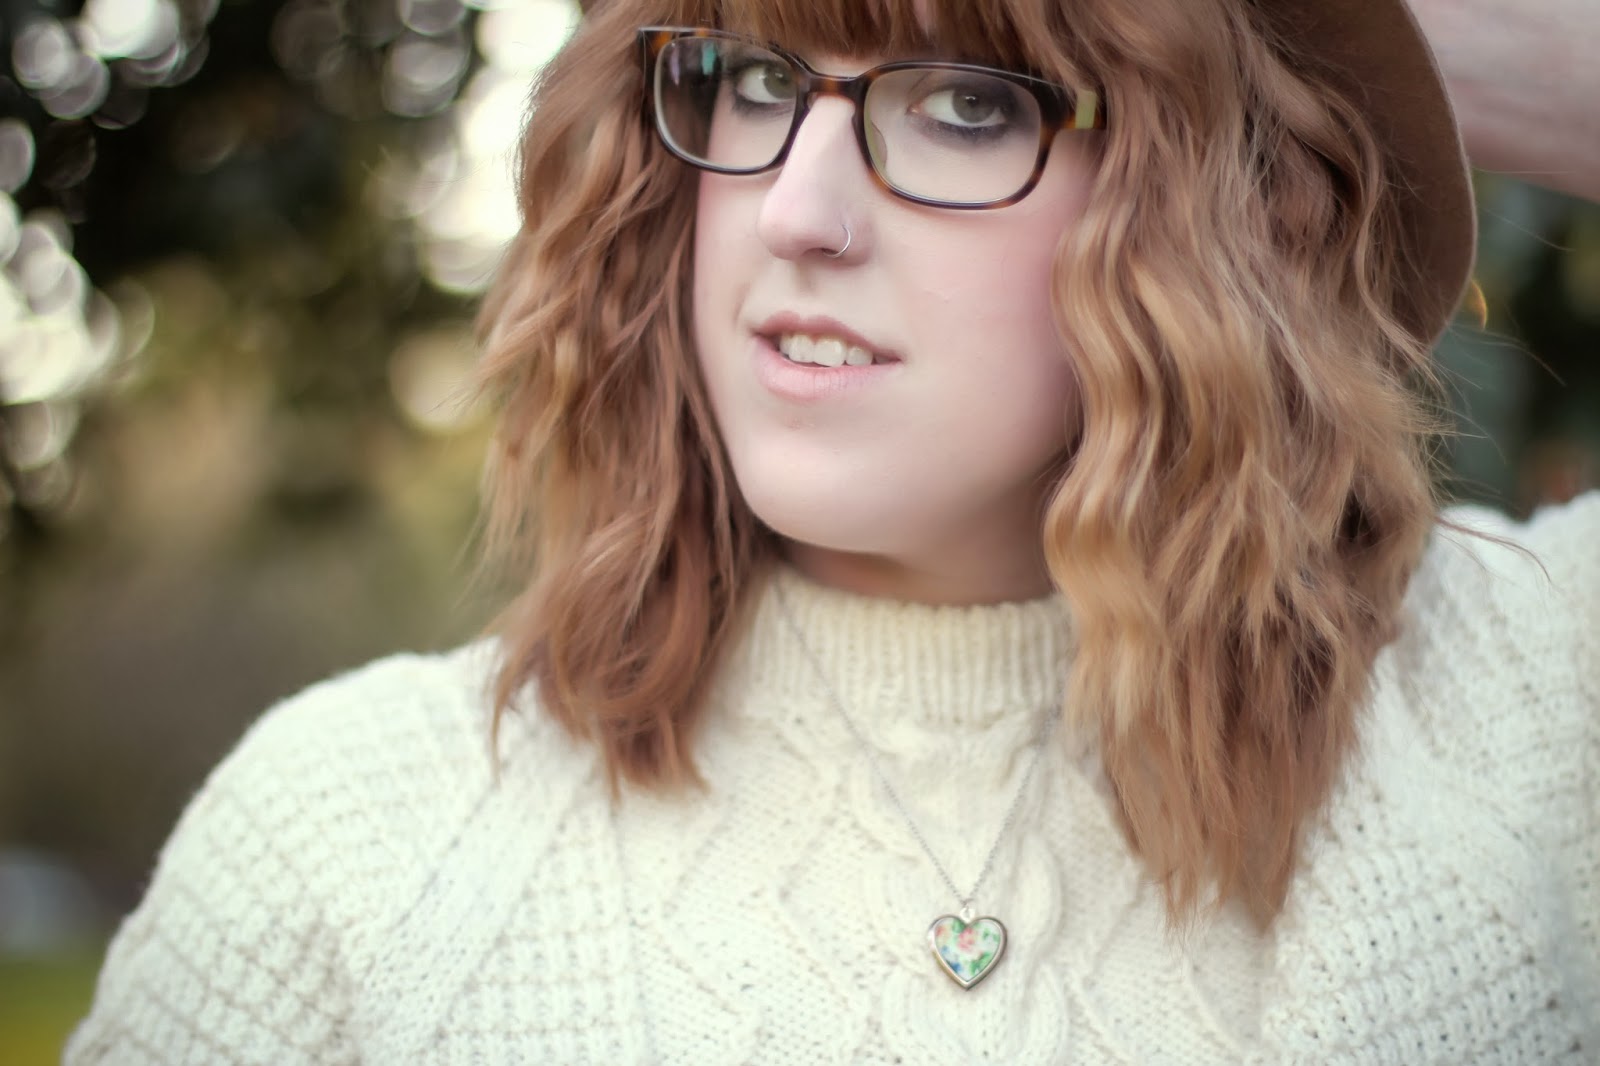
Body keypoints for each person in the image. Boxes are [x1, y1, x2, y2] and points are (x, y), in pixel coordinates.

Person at [67, 0, 1598, 1062]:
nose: (800, 211)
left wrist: (1398, 42)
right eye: (754, 79)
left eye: (966, 102)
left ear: (1208, 200)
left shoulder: (1527, 700)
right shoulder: (345, 846)